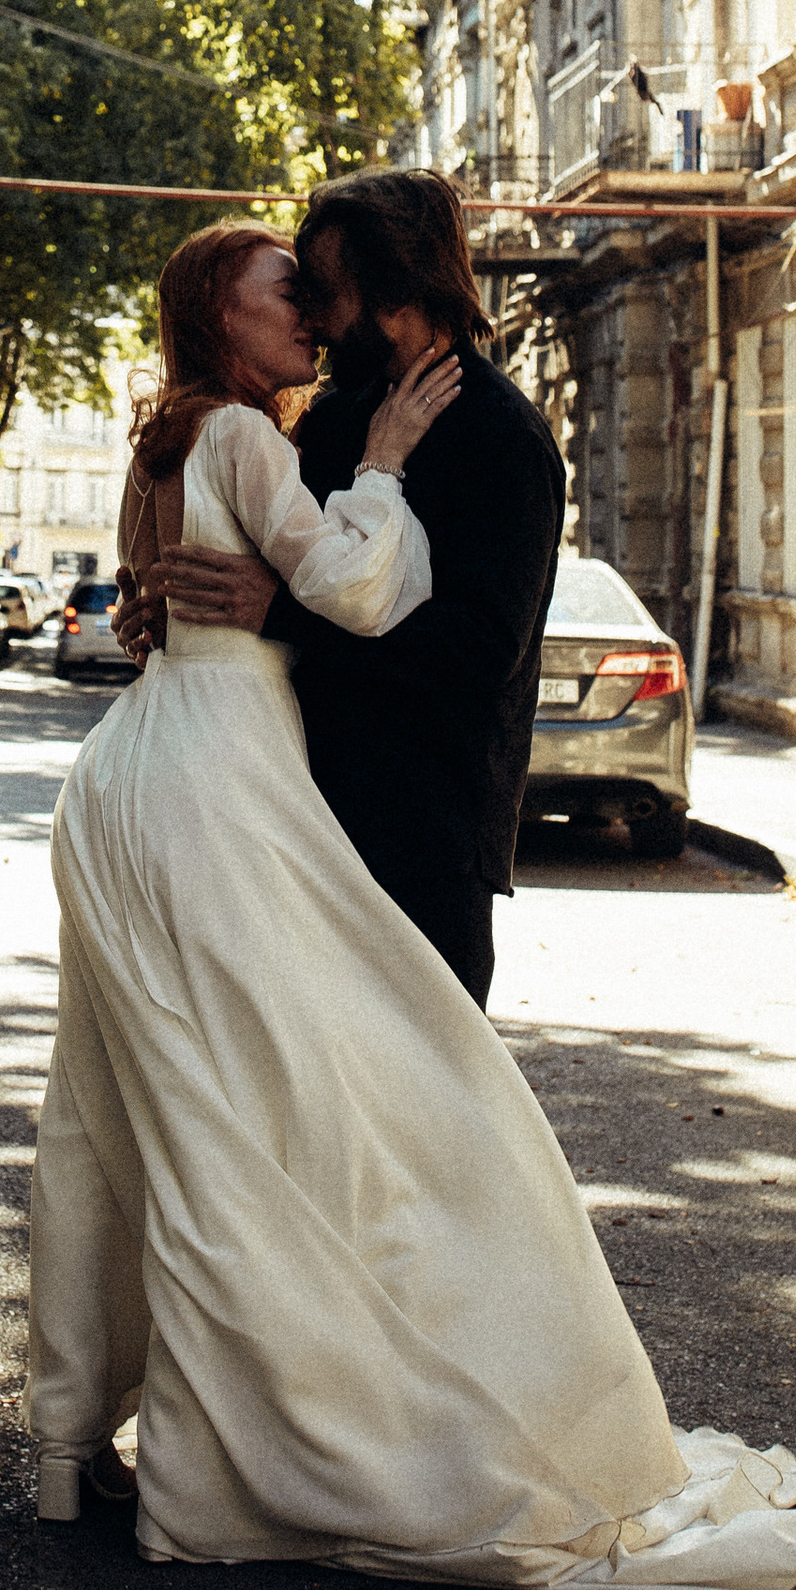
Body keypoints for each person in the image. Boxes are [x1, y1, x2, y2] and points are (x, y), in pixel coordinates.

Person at [27, 213, 796, 1590]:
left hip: (240, 793)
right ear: (221, 321)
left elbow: (459, 641)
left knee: (159, 1111)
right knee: (296, 1120)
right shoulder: (307, 422)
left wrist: (255, 591)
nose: (308, 306)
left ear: (383, 278)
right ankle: (317, 1438)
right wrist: (375, 478)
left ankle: (97, 1437)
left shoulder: (473, 436)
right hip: (238, 796)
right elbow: (355, 584)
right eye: (281, 288)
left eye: (320, 280)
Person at [144, 168, 556, 1007]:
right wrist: (161, 602)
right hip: (302, 816)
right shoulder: (330, 420)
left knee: (429, 1097)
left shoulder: (501, 435)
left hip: (428, 828)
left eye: (324, 291)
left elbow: (481, 651)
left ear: (389, 287)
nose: (316, 321)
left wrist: (277, 614)